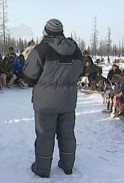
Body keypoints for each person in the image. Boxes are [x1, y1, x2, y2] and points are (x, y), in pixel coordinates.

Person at [23, 18, 83, 178]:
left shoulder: (41, 50)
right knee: (67, 133)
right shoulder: (75, 49)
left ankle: (42, 169)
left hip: (46, 102)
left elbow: (29, 77)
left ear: (46, 31)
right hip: (68, 100)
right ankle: (67, 165)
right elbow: (80, 71)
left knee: (45, 134)